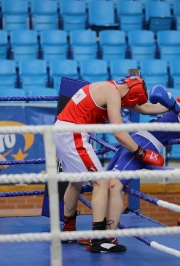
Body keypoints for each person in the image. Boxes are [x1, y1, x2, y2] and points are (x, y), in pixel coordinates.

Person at [83, 66, 180, 251]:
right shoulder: (176, 105)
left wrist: (173, 103)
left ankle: (109, 237)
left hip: (145, 145)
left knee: (115, 185)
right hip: (135, 140)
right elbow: (146, 107)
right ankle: (98, 235)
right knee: (106, 183)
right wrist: (124, 98)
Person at [54, 76, 170, 253]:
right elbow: (119, 134)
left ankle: (68, 230)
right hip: (73, 133)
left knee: (75, 182)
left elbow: (146, 108)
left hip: (64, 129)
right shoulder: (112, 93)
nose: (128, 106)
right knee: (101, 182)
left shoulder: (114, 89)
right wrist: (140, 152)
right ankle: (99, 239)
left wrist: (175, 105)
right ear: (132, 95)